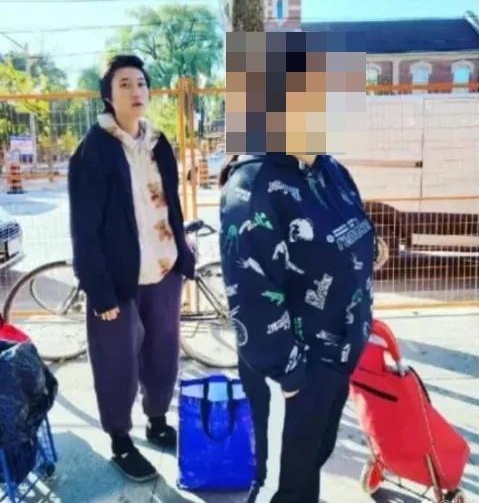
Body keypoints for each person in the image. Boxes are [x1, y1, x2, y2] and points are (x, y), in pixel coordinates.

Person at [219, 31, 377, 503]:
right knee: (287, 486)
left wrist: (371, 248)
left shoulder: (331, 170)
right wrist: (289, 376)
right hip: (294, 368)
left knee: (313, 463)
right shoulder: (253, 184)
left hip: (339, 353)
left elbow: (347, 230)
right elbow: (250, 292)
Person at [68, 55, 194, 482]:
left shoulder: (158, 142)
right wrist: (98, 289)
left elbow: (172, 203)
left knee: (163, 353)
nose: (136, 90)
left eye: (141, 83)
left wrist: (182, 253)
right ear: (108, 95)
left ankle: (157, 422)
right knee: (117, 362)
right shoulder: (93, 151)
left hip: (163, 269)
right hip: (117, 281)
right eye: (124, 84)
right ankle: (120, 439)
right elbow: (84, 229)